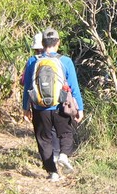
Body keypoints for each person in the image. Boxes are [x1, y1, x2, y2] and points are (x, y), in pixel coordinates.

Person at [22, 28, 85, 182]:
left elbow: (28, 87)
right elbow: (74, 87)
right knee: (66, 133)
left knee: (44, 139)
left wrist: (25, 107)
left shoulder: (33, 61)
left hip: (39, 108)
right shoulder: (65, 61)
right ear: (58, 43)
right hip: (61, 106)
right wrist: (80, 108)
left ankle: (53, 173)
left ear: (42, 44)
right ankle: (63, 155)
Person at [21, 32, 60, 161]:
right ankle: (56, 154)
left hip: (37, 103)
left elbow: (25, 84)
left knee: (42, 133)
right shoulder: (60, 59)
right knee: (54, 130)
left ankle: (48, 161)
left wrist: (25, 107)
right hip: (57, 102)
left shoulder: (32, 61)